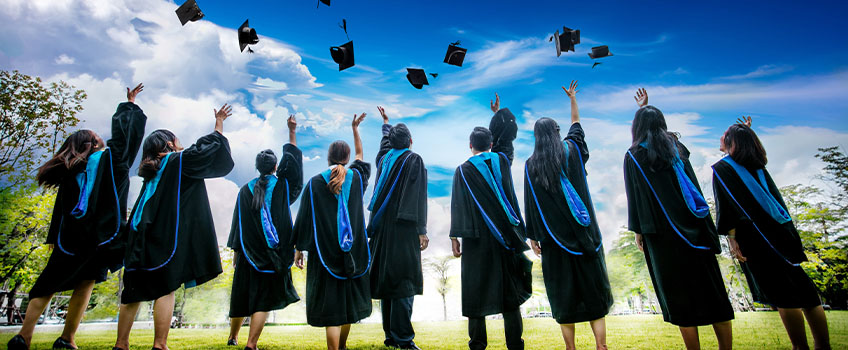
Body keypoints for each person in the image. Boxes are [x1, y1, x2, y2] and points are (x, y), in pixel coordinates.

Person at [7, 84, 147, 350]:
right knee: (85, 285)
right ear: (93, 144)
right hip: (99, 238)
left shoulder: (69, 172)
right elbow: (123, 140)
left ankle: (23, 336)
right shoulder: (108, 162)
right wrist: (129, 106)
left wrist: (53, 239)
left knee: (46, 285)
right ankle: (67, 338)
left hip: (68, 239)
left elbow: (59, 209)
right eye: (97, 139)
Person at [113, 104, 235, 350]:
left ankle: (121, 344)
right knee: (165, 288)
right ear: (168, 145)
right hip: (164, 237)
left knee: (132, 291)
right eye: (176, 140)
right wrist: (219, 123)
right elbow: (207, 150)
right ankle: (160, 344)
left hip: (137, 237)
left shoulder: (151, 172)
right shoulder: (177, 162)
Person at [623, 88, 734, 350]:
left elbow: (636, 197)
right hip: (696, 231)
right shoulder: (677, 149)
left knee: (679, 298)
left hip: (663, 238)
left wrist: (639, 231)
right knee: (713, 293)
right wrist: (646, 109)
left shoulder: (634, 155)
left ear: (636, 127)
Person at [712, 117, 831, 350]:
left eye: (726, 134)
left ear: (732, 143)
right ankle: (822, 346)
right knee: (806, 294)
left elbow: (728, 207)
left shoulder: (723, 169)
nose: (721, 137)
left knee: (784, 295)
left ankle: (800, 347)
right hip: (783, 233)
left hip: (756, 237)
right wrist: (745, 133)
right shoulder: (758, 166)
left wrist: (732, 239)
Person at [523, 81, 613, 350]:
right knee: (592, 289)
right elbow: (576, 124)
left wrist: (533, 237)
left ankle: (570, 347)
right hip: (585, 238)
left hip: (554, 241)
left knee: (563, 294)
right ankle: (600, 345)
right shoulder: (572, 150)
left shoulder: (530, 166)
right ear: (557, 132)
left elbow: (531, 204)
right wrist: (573, 99)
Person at [450, 93, 532, 350]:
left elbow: (458, 205)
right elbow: (506, 141)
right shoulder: (502, 162)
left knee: (475, 290)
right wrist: (497, 114)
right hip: (505, 236)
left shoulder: (462, 170)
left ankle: (477, 343)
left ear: (469, 145)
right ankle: (514, 343)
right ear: (491, 144)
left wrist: (455, 237)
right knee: (509, 291)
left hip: (475, 238)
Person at [293, 113, 372, 350]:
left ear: (328, 157)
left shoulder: (315, 182)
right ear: (347, 158)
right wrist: (355, 129)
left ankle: (333, 348)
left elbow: (304, 217)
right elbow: (361, 155)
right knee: (347, 305)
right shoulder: (356, 178)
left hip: (323, 252)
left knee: (332, 307)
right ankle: (343, 346)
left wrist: (299, 249)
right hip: (353, 253)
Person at [225, 115, 304, 350]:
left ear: (256, 168)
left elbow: (237, 225)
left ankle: (233, 337)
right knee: (263, 300)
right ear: (275, 167)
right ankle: (251, 343)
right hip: (273, 256)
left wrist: (237, 253)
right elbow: (295, 167)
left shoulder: (243, 191)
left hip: (248, 255)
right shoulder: (282, 186)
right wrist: (291, 132)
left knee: (241, 296)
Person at [368, 106, 429, 350]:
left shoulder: (384, 160)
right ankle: (403, 338)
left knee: (388, 281)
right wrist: (421, 229)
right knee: (403, 282)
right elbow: (417, 196)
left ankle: (391, 335)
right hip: (403, 228)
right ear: (411, 141)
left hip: (381, 229)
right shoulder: (413, 159)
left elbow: (383, 146)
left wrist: (385, 123)